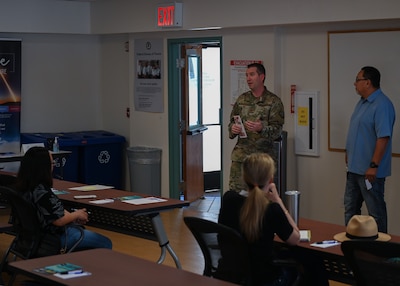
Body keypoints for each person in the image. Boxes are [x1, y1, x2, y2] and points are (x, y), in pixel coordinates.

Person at [219, 153, 329, 286]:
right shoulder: (272, 210)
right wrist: (278, 201)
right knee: (312, 263)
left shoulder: (229, 199)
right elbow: (295, 238)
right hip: (266, 279)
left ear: (244, 177)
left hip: (233, 273)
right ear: (270, 180)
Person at [15, 146, 112, 252]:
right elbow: (59, 220)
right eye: (52, 164)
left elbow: (54, 211)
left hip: (30, 238)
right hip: (53, 238)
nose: (53, 167)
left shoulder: (23, 187)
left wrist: (71, 216)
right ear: (43, 167)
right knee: (106, 242)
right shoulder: (42, 193)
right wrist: (77, 214)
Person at [344, 66, 395, 233]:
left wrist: (373, 165)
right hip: (354, 169)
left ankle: (379, 253)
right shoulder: (361, 103)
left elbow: (383, 137)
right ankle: (352, 248)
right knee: (351, 211)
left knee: (375, 214)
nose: (354, 83)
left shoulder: (382, 105)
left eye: (357, 80)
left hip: (370, 172)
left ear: (368, 82)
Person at [228, 63, 284, 192]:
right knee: (236, 198)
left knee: (263, 200)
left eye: (252, 75)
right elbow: (231, 122)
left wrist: (261, 128)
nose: (248, 78)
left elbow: (277, 131)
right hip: (241, 159)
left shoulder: (274, 102)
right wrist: (233, 129)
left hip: (262, 161)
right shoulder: (242, 100)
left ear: (262, 77)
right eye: (247, 75)